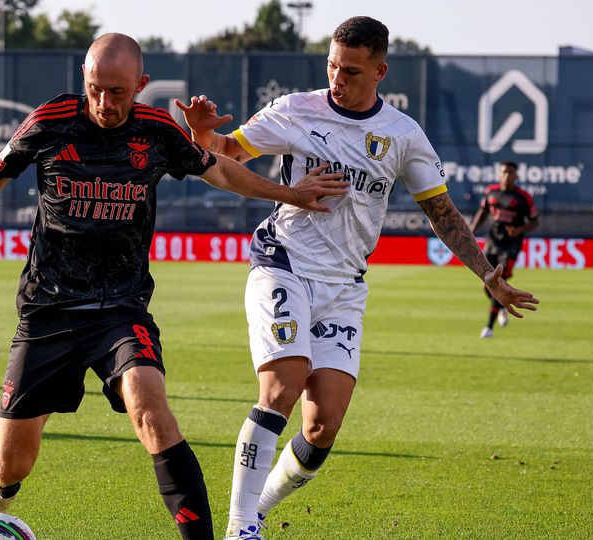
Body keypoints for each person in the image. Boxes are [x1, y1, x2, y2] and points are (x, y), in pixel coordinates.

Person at [0, 33, 347, 539]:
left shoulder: (157, 131)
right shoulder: (50, 122)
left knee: (152, 411)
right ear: (84, 81)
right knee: (15, 461)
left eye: (118, 92)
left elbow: (221, 172)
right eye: (95, 89)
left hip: (120, 310)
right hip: (48, 309)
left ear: (141, 85)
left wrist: (290, 194)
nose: (105, 102)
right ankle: (0, 492)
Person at [176, 16, 539, 540]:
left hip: (344, 286)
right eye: (331, 66)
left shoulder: (402, 135)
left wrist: (487, 274)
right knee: (282, 385)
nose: (336, 79)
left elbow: (441, 211)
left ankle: (257, 511)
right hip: (284, 264)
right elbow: (227, 153)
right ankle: (239, 528)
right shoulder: (295, 109)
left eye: (349, 70)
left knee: (321, 429)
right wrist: (202, 133)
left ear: (380, 71)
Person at [469, 161, 540, 338]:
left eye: (510, 172)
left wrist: (518, 230)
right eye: (504, 172)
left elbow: (534, 222)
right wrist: (470, 231)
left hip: (510, 246)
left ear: (516, 176)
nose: (507, 175)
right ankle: (502, 306)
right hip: (492, 242)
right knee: (486, 285)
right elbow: (483, 212)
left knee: (499, 281)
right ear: (499, 174)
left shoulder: (523, 197)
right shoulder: (490, 191)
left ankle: (489, 327)